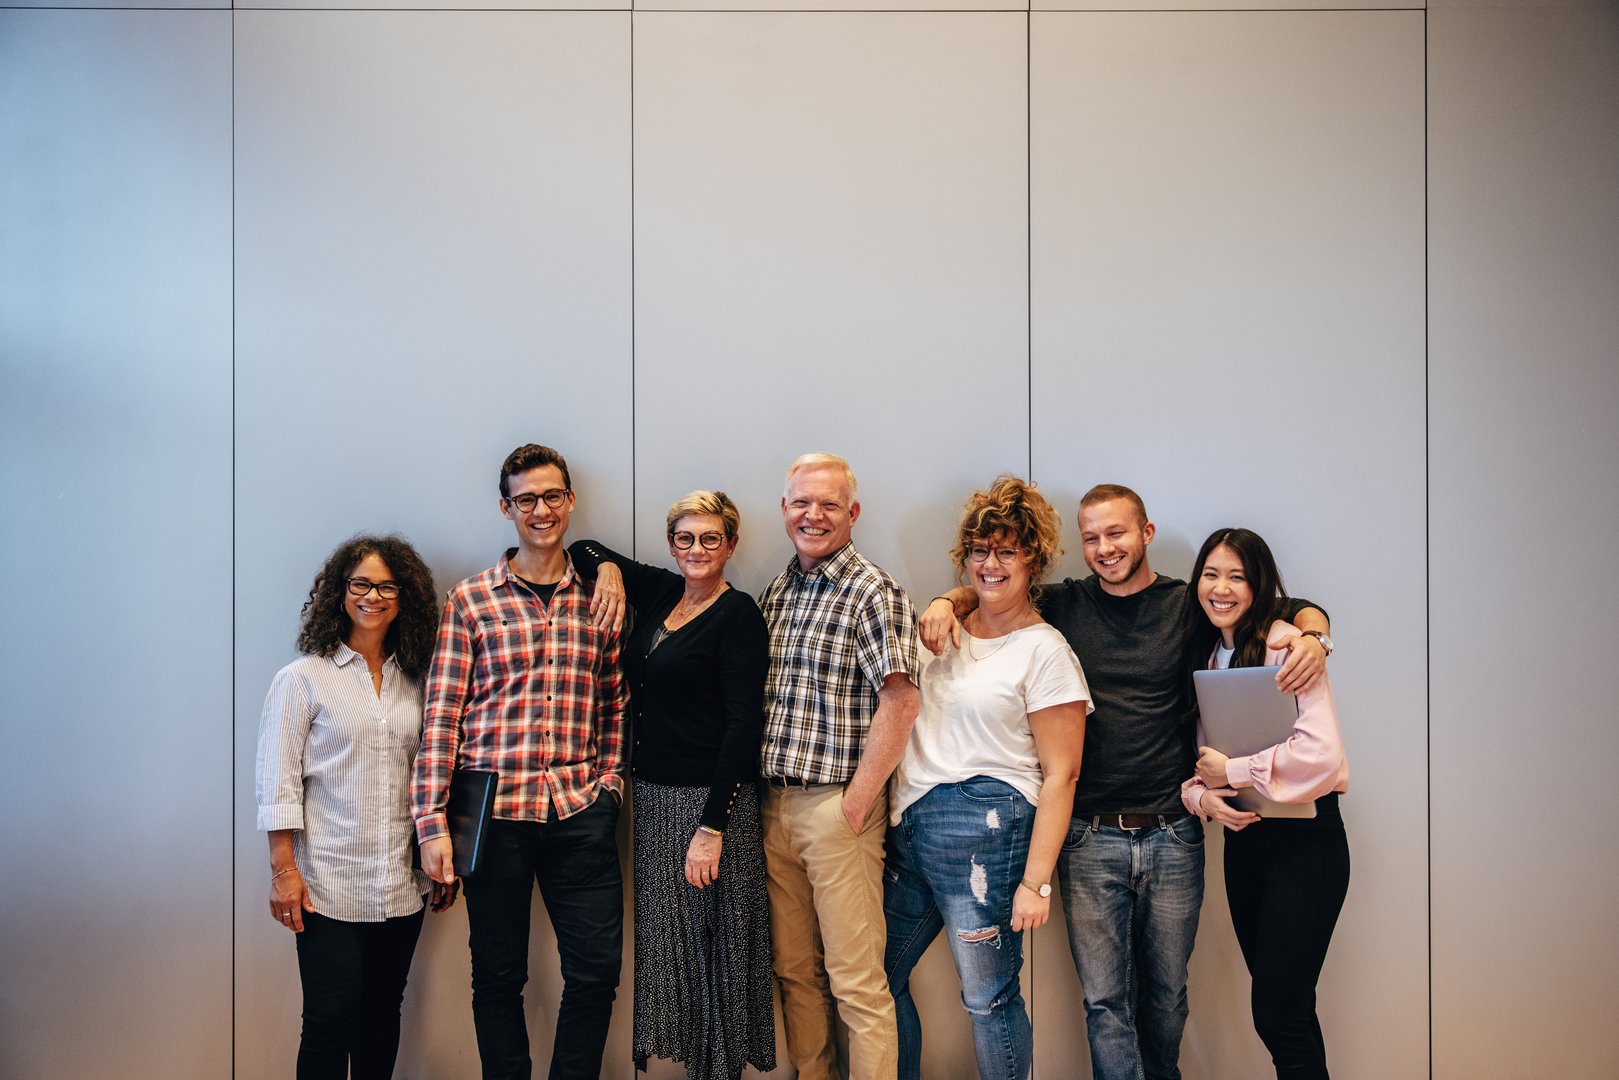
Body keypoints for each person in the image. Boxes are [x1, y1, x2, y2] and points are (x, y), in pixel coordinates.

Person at [921, 484, 1331, 1080]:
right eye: (1091, 538)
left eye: (1116, 533)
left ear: (1146, 533)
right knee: (1105, 1004)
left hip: (1175, 831)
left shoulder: (1188, 602)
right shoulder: (1064, 604)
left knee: (1166, 996)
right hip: (1088, 838)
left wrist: (1315, 635)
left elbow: (1288, 605)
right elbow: (992, 585)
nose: (1104, 548)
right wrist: (944, 600)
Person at [410, 443, 628, 1080]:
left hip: (580, 810)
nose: (541, 510)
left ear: (571, 500)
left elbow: (615, 702)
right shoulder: (470, 601)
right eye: (526, 499)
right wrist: (431, 824)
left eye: (552, 496)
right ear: (506, 508)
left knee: (595, 973)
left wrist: (610, 784)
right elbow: (442, 716)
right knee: (498, 977)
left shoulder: (599, 597)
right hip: (494, 817)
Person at [884, 476, 1091, 1080]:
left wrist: (1036, 883)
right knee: (874, 980)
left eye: (1007, 552)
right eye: (980, 550)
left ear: (1034, 561)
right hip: (910, 828)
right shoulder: (941, 628)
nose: (990, 564)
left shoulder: (1045, 651)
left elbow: (1062, 774)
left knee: (988, 999)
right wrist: (948, 602)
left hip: (988, 833)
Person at [567, 491, 776, 1080]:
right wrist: (610, 571)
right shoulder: (662, 591)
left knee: (714, 953)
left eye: (711, 538)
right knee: (675, 953)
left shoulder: (738, 615)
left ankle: (719, 1071)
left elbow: (742, 726)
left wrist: (712, 828)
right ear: (671, 543)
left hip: (711, 806)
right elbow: (583, 549)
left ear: (731, 545)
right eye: (685, 538)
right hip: (655, 802)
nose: (697, 549)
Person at [256, 534, 457, 1080]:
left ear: (405, 596)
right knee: (328, 1021)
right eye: (361, 584)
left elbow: (437, 772)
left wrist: (442, 860)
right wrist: (283, 872)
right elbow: (277, 782)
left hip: (401, 882)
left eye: (387, 586)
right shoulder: (302, 679)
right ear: (339, 592)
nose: (373, 596)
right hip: (327, 886)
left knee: (381, 1017)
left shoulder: (418, 680)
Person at [759, 452, 921, 1080]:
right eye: (802, 502)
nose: (814, 515)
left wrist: (854, 805)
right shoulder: (778, 590)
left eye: (829, 504)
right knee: (794, 972)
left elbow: (901, 701)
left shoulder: (872, 590)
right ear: (784, 508)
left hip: (837, 811)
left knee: (857, 983)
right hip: (775, 807)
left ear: (852, 513)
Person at [1179, 528, 1350, 1080]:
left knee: (1279, 1016)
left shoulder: (1288, 645)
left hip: (1306, 848)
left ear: (1260, 585)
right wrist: (1203, 795)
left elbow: (1321, 758)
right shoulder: (1206, 652)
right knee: (1290, 1013)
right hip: (1246, 846)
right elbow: (1198, 762)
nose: (1221, 588)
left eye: (1237, 577)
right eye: (1211, 574)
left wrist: (1232, 772)